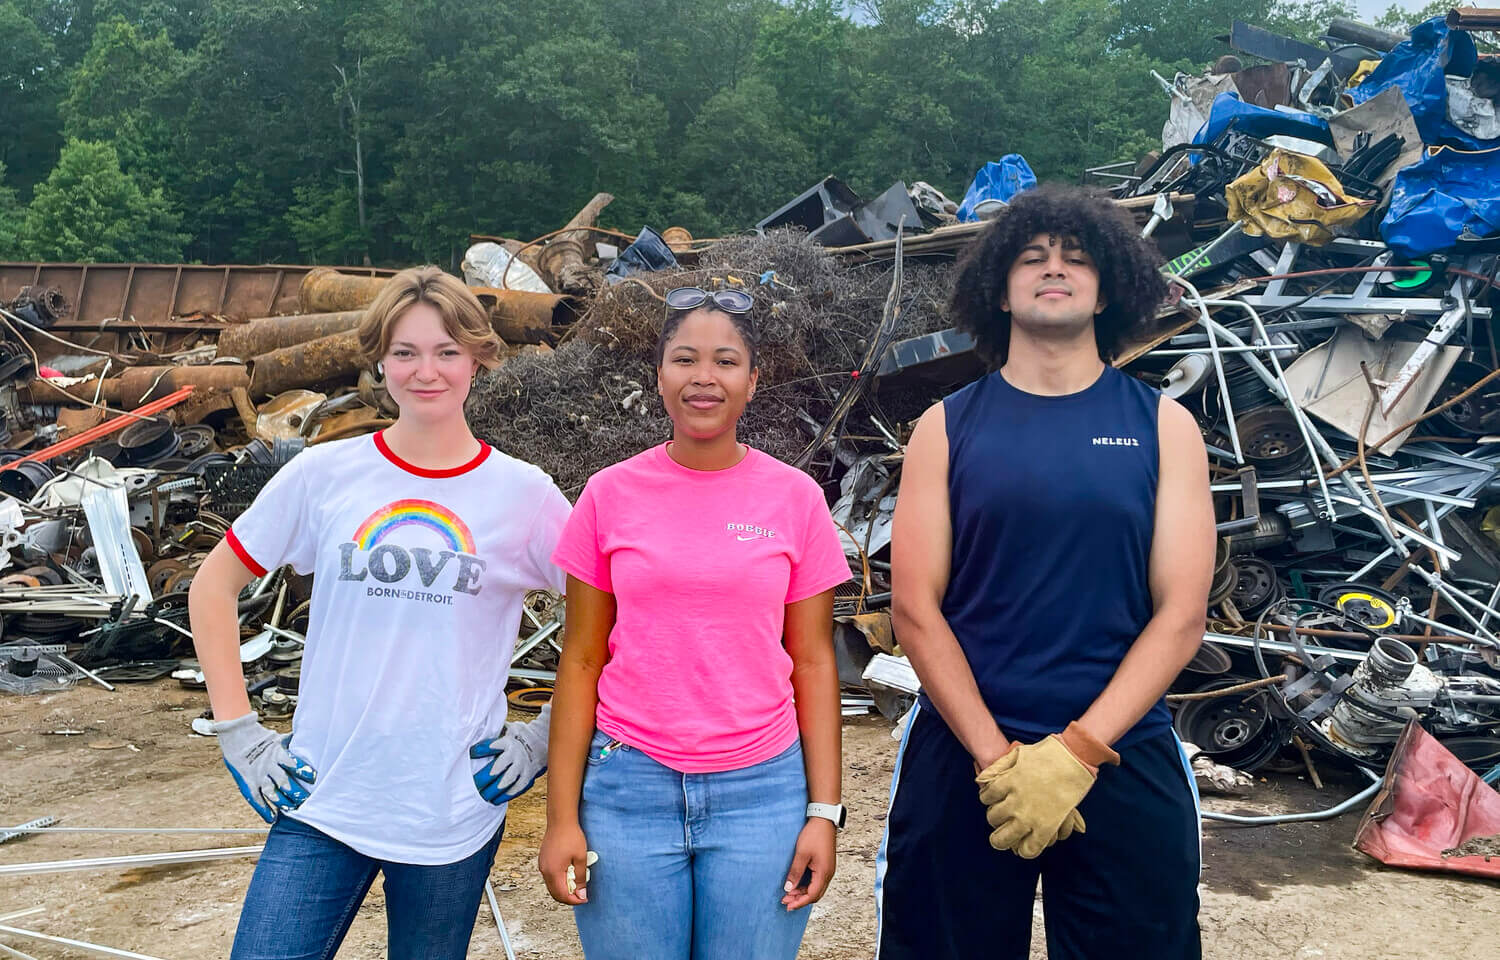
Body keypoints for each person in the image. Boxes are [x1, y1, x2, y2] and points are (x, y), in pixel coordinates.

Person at [188, 266, 569, 960]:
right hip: (323, 797)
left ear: (479, 357)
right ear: (380, 360)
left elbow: (617, 622)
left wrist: (545, 735)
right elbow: (212, 589)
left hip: (452, 807)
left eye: (447, 351)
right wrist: (240, 733)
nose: (426, 371)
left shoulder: (527, 496)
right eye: (405, 352)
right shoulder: (322, 474)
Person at [876, 185, 1214, 960]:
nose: (1053, 269)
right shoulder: (947, 426)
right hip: (965, 756)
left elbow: (1181, 613)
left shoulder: (1163, 426)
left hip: (1122, 753)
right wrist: (998, 759)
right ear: (998, 287)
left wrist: (1079, 752)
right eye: (1031, 257)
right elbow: (916, 609)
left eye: (1075, 258)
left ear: (1111, 288)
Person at [538, 285, 852, 960]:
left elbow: (816, 662)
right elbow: (582, 660)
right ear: (659, 377)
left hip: (764, 792)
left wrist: (823, 813)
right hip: (627, 788)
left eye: (725, 361)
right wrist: (562, 817)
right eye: (684, 359)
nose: (703, 378)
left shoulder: (794, 499)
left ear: (752, 381)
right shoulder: (608, 494)